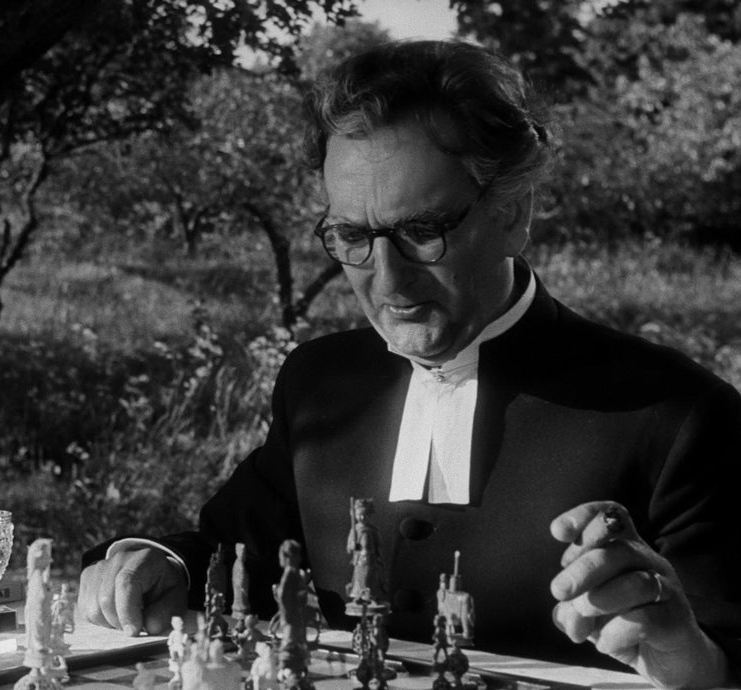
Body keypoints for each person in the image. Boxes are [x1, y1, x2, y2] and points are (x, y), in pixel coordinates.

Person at [78, 40, 741, 687]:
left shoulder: (681, 417)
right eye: (352, 235)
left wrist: (691, 661)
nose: (388, 280)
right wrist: (159, 564)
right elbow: (232, 551)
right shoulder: (321, 382)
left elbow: (724, 653)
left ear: (512, 215)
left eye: (423, 231)